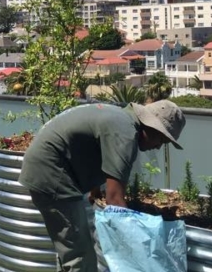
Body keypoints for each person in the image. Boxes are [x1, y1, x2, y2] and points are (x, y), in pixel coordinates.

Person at [19, 100, 186, 272]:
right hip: (53, 177)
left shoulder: (120, 119)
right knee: (80, 259)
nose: (158, 147)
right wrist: (139, 245)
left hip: (50, 170)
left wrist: (95, 190)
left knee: (74, 248)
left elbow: (95, 150)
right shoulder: (125, 134)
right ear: (150, 127)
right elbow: (115, 201)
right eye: (161, 139)